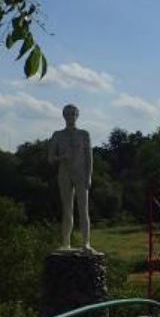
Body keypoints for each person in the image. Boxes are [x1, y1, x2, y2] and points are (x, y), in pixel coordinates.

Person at [48, 104, 93, 250]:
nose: (70, 117)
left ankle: (86, 242)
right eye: (67, 114)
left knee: (83, 209)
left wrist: (89, 176)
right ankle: (66, 242)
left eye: (73, 114)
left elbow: (89, 158)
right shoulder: (58, 135)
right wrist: (61, 157)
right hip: (64, 173)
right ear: (63, 116)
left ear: (77, 115)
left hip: (81, 173)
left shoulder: (84, 134)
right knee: (67, 209)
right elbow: (50, 158)